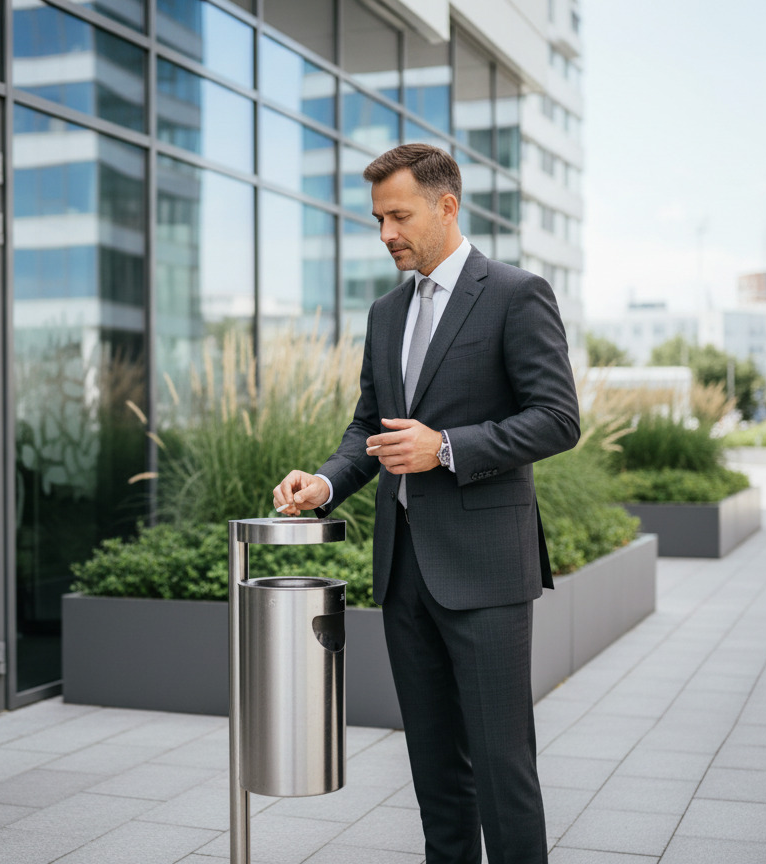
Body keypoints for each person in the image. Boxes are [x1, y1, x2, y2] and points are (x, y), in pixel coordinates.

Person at [273, 143, 580, 864]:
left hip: (485, 575)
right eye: (378, 219)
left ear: (447, 206)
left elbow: (558, 418)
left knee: (502, 770)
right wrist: (322, 483)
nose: (386, 233)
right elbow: (367, 429)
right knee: (435, 772)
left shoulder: (515, 292)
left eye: (399, 216)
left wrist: (446, 447)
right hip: (404, 574)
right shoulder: (385, 312)